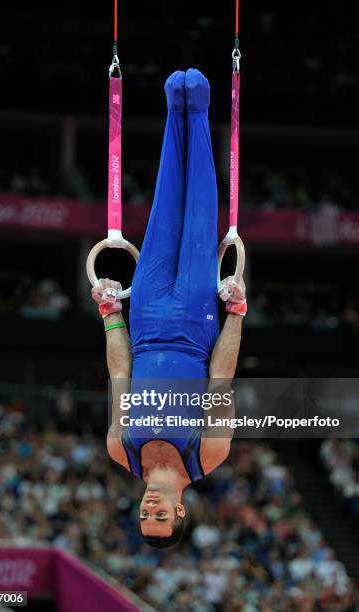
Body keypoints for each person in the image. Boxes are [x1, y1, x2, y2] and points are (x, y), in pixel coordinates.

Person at [91, 69, 246, 548]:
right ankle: (197, 107)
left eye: (144, 518)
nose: (150, 509)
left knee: (163, 206)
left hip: (144, 323)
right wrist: (236, 312)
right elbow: (221, 377)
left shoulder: (123, 450)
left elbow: (120, 373)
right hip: (195, 325)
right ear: (180, 511)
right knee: (198, 209)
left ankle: (171, 106)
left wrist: (111, 313)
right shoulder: (209, 453)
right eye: (160, 517)